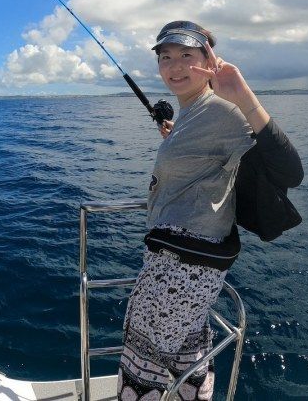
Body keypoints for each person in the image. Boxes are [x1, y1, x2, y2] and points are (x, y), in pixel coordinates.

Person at [118, 21, 272, 401]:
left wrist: (245, 97)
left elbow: (286, 166)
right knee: (186, 352)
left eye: (187, 55)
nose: (175, 66)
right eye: (166, 57)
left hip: (184, 262)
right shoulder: (191, 111)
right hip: (180, 256)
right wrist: (179, 137)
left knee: (145, 364)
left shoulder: (224, 110)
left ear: (209, 60)